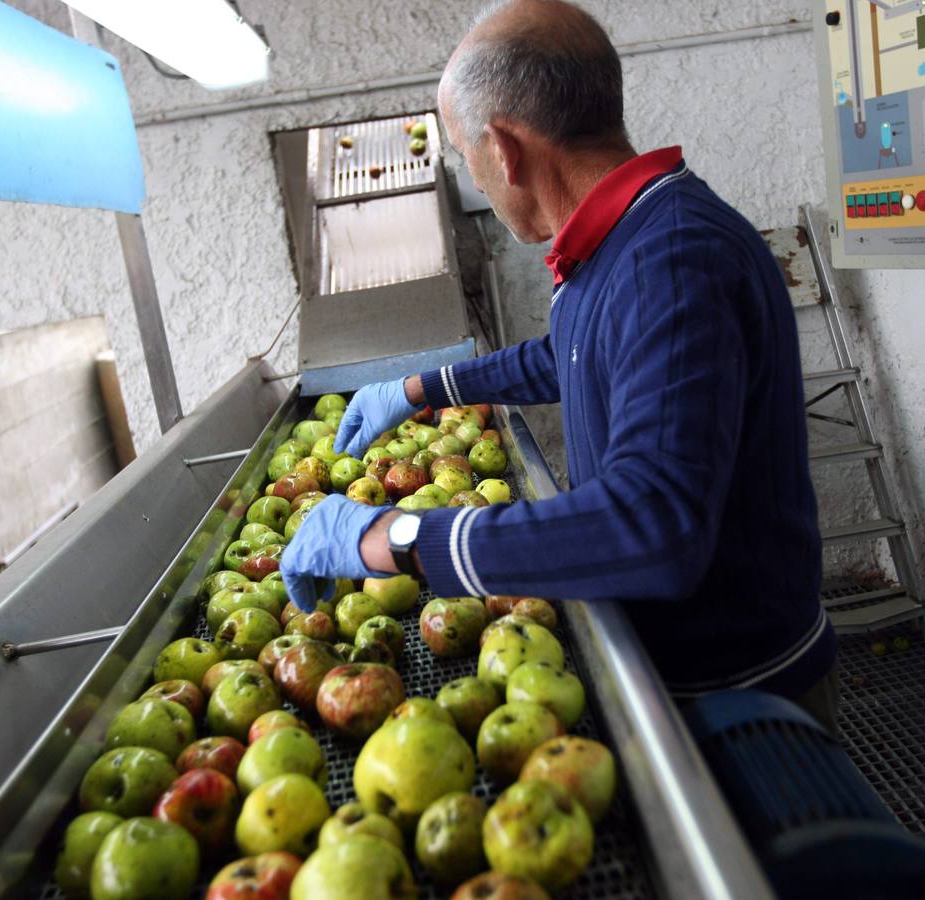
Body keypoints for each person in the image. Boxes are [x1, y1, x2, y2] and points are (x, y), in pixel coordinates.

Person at [281, 0, 838, 732]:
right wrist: (423, 387)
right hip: (673, 670)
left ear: (505, 150)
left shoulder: (671, 260)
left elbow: (654, 524)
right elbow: (569, 357)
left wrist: (393, 539)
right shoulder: (616, 246)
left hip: (739, 697)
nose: (475, 180)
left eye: (465, 157)